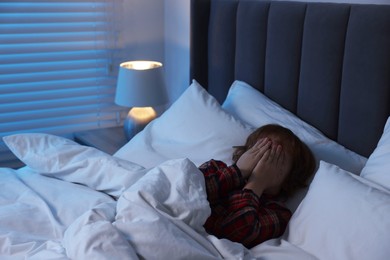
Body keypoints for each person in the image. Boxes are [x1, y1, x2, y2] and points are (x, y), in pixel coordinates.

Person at [198, 124, 316, 248]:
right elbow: (190, 190)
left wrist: (257, 183)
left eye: (276, 158)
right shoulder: (215, 168)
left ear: (289, 178)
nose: (264, 159)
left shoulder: (278, 213)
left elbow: (236, 234)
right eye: (261, 149)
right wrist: (239, 170)